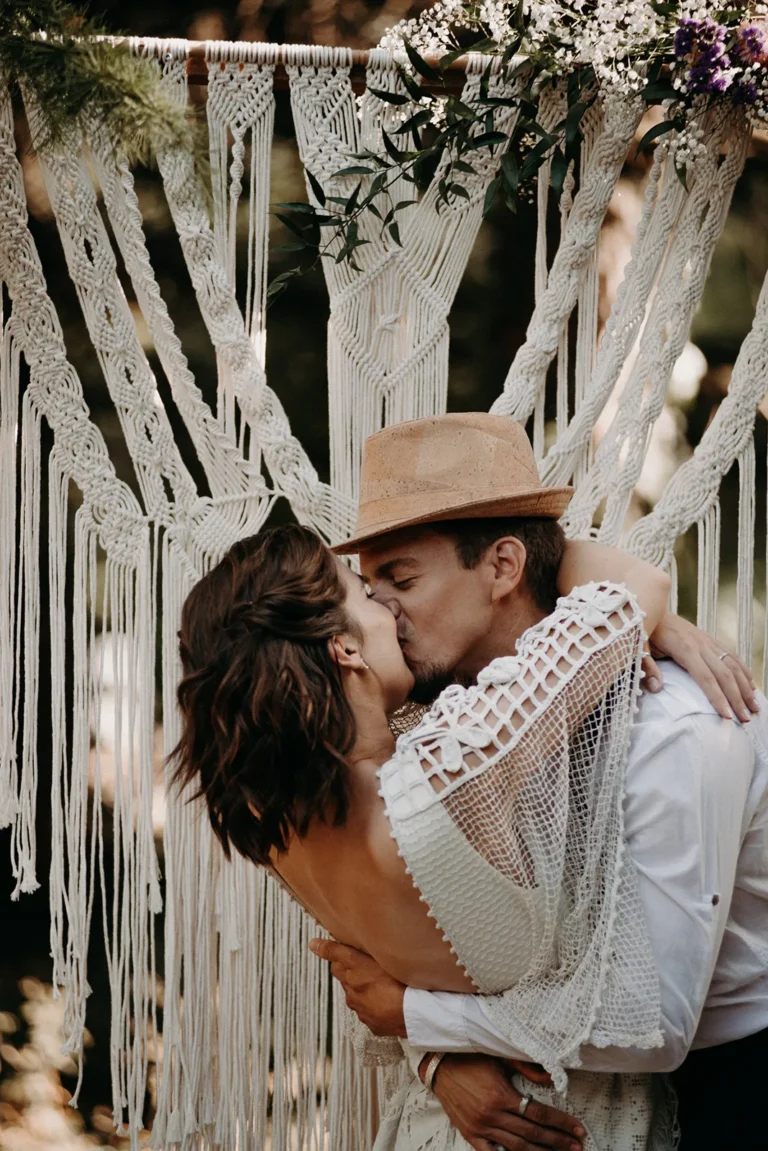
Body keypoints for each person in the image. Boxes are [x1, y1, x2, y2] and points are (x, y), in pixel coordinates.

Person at [309, 412, 768, 1151]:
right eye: (368, 587)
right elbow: (401, 944)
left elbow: (655, 1022)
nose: (381, 614)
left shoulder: (668, 724)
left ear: (502, 567)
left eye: (400, 578)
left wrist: (416, 1017)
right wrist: (438, 1061)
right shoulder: (442, 736)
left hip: (738, 1077)